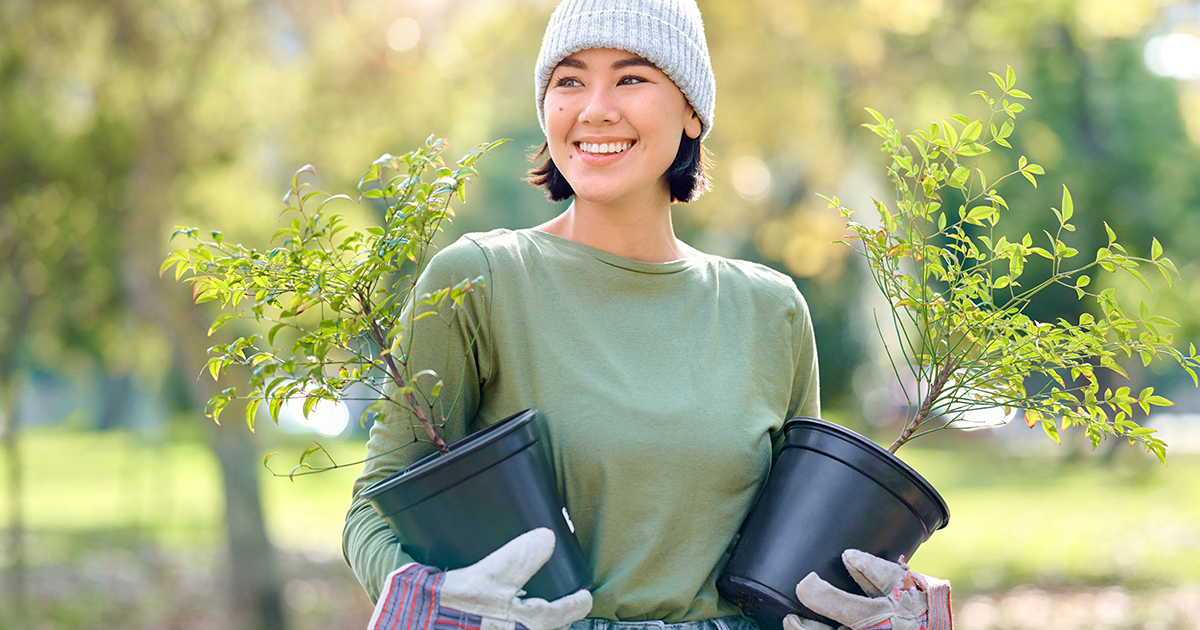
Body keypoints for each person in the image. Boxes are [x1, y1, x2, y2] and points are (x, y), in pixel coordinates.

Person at [342, 1, 953, 630]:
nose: (595, 107)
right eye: (569, 80)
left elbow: (801, 556)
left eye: (631, 78)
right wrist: (439, 606)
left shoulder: (772, 310)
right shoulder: (481, 279)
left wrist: (874, 605)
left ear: (692, 110)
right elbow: (375, 506)